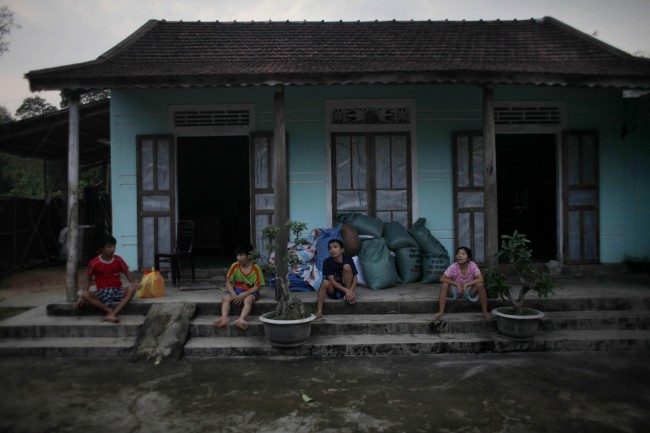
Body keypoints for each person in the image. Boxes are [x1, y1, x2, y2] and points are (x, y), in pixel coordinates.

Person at [76, 234, 137, 324]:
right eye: (109, 246)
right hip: (102, 292)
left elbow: (127, 272)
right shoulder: (94, 263)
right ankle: (110, 311)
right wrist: (82, 297)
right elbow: (88, 279)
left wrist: (133, 283)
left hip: (118, 291)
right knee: (85, 294)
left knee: (133, 288)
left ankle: (113, 314)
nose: (113, 249)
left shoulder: (118, 260)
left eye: (113, 246)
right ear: (101, 249)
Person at [214, 242, 265, 331]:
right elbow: (228, 282)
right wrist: (233, 294)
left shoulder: (256, 268)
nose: (238, 258)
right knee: (225, 298)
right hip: (236, 289)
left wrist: (244, 294)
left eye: (241, 255)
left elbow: (258, 286)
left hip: (250, 291)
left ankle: (241, 319)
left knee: (248, 300)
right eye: (237, 255)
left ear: (249, 256)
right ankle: (224, 317)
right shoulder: (235, 266)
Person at [433, 246, 493, 320]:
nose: (460, 255)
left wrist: (466, 285)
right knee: (444, 285)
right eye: (458, 254)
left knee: (480, 285)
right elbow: (442, 278)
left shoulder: (472, 265)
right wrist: (457, 284)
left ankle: (485, 312)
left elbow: (481, 279)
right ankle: (441, 311)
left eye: (463, 254)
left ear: (468, 258)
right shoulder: (453, 266)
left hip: (469, 291)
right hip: (455, 290)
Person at [316, 239, 358, 319]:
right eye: (330, 248)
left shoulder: (348, 259)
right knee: (324, 282)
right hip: (334, 289)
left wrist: (350, 291)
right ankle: (319, 310)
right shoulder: (327, 262)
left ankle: (348, 296)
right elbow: (331, 280)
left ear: (342, 250)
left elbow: (355, 277)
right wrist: (347, 291)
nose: (332, 250)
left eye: (335, 247)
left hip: (346, 286)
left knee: (347, 267)